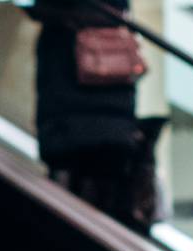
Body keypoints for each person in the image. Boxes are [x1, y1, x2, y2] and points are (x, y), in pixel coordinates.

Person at [27, 0, 166, 231]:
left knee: (68, 216)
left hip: (72, 126)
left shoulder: (67, 31)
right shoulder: (114, 26)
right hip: (110, 132)